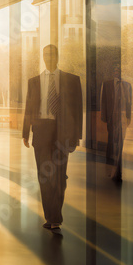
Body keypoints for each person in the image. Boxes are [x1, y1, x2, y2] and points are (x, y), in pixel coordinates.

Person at [22, 45, 83, 233]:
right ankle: (52, 216)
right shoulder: (34, 81)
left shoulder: (71, 80)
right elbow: (29, 108)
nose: (49, 57)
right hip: (41, 129)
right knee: (44, 175)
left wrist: (76, 136)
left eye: (52, 54)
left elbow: (77, 109)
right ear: (43, 57)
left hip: (62, 131)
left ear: (57, 56)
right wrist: (25, 132)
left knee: (59, 176)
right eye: (46, 54)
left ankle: (55, 216)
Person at [101, 64, 132, 181]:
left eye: (119, 70)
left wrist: (128, 117)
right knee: (111, 142)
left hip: (123, 118)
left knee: (121, 142)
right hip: (111, 118)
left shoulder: (127, 85)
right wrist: (104, 117)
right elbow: (103, 101)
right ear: (112, 72)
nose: (117, 71)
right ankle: (109, 167)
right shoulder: (107, 84)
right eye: (115, 69)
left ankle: (118, 169)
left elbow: (129, 102)